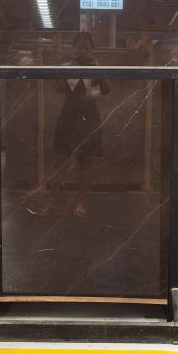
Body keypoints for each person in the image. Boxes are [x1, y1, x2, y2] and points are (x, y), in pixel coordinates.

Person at [38, 32, 110, 218]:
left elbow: (106, 90)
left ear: (92, 50)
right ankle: (52, 202)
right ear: (73, 49)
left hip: (89, 118)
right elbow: (58, 88)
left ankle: (80, 204)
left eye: (87, 48)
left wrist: (99, 70)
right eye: (79, 48)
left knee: (85, 163)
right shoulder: (66, 67)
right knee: (61, 161)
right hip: (69, 117)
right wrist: (71, 70)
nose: (83, 51)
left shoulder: (96, 68)